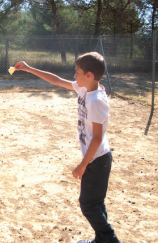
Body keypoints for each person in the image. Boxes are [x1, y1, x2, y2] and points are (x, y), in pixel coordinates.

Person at [14, 52, 121, 243]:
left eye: (77, 72)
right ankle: (101, 239)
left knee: (88, 205)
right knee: (95, 203)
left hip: (97, 160)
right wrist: (29, 68)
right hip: (97, 159)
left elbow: (96, 138)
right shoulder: (84, 88)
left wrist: (82, 165)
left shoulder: (96, 100)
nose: (74, 75)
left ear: (89, 75)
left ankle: (110, 240)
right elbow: (55, 80)